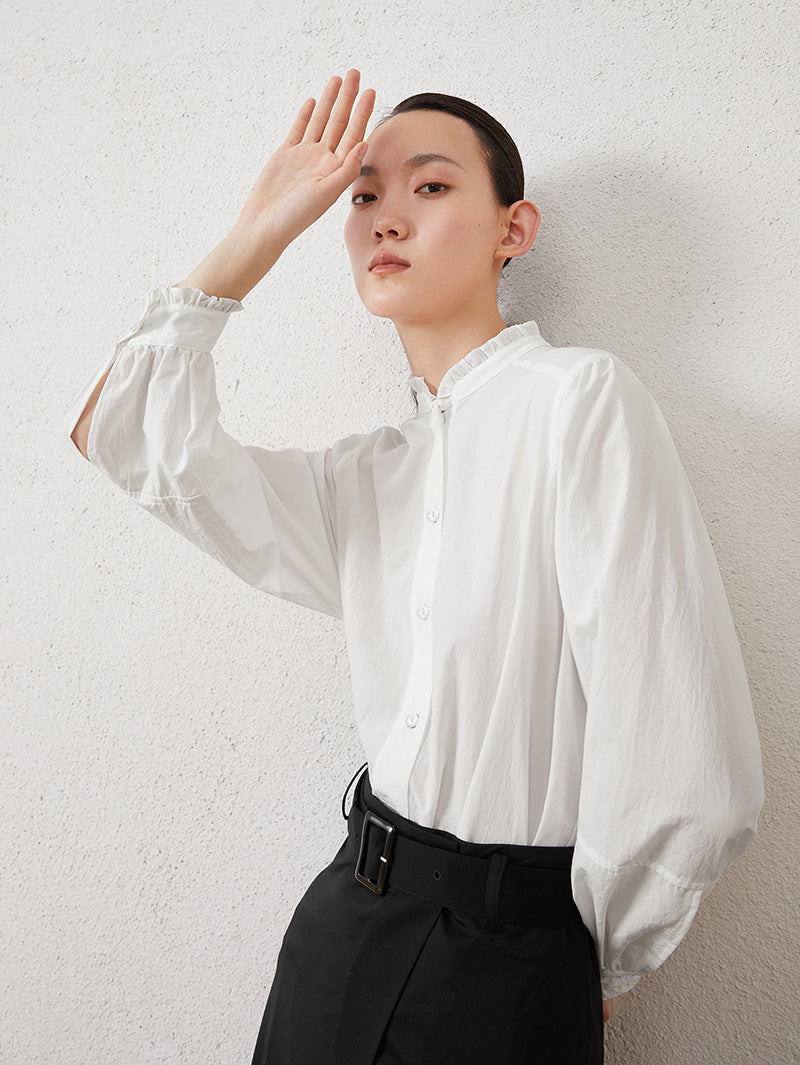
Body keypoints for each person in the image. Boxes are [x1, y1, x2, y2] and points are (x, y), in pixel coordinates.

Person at [66, 69, 764, 1064]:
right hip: (342, 925)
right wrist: (259, 228)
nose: (385, 216)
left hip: (509, 960)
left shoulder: (578, 401)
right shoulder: (373, 476)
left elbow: (677, 734)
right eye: (361, 197)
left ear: (510, 230)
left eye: (429, 188)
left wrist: (598, 963)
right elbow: (123, 440)